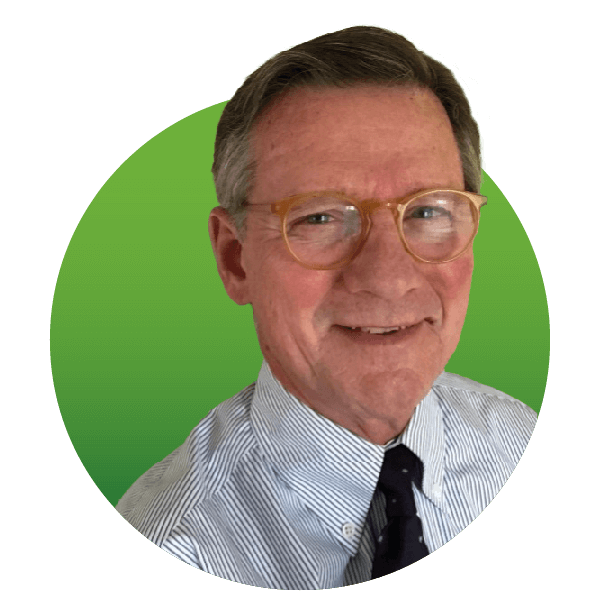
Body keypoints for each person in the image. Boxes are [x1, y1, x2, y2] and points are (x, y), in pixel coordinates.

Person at [116, 26, 538, 589]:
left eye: (428, 212)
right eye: (319, 217)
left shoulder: (516, 440)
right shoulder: (178, 543)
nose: (387, 276)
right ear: (236, 259)